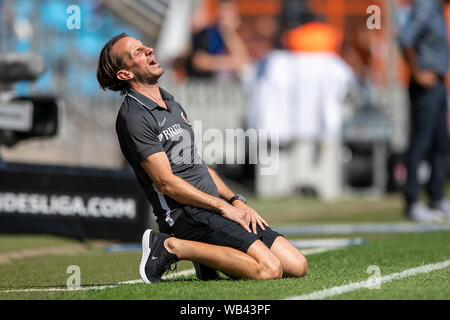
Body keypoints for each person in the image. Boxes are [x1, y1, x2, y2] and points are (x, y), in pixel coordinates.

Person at [96, 33, 308, 283]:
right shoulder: (134, 116)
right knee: (269, 270)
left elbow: (199, 165)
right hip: (185, 215)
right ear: (125, 74)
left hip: (213, 209)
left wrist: (235, 201)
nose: (149, 50)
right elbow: (166, 184)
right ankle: (172, 247)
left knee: (297, 265)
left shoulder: (170, 102)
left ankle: (204, 260)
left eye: (145, 46)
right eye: (138, 52)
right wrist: (223, 208)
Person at [398, 0, 450, 221]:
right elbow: (405, 39)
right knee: (421, 143)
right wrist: (417, 72)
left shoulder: (436, 8)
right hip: (425, 83)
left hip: (438, 82)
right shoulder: (426, 5)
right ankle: (412, 202)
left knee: (441, 143)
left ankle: (436, 198)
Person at [184, 0, 249, 80]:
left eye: (228, 10)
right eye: (223, 9)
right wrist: (231, 62)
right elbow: (199, 61)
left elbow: (242, 62)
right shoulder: (206, 32)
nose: (224, 14)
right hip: (204, 85)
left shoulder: (236, 34)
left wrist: (228, 33)